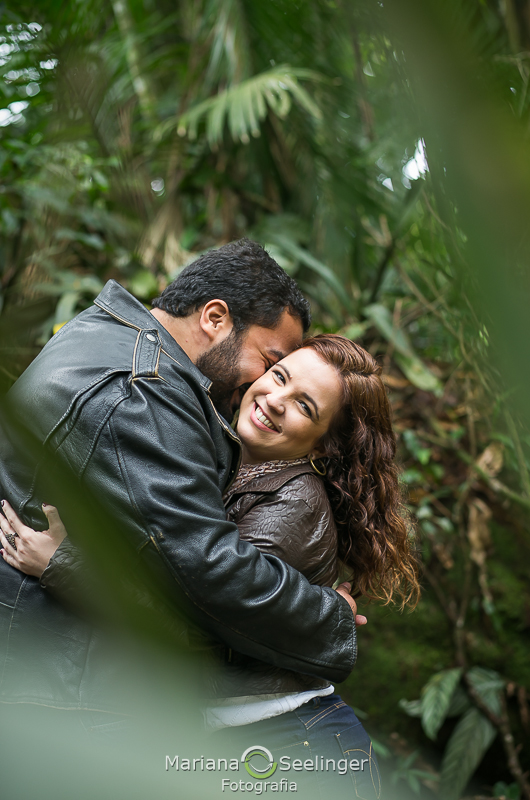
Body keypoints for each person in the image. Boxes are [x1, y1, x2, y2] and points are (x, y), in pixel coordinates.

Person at [1, 334, 420, 799]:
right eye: (279, 376)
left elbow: (194, 624)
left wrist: (65, 566)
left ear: (323, 447)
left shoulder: (295, 501)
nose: (275, 400)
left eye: (305, 406)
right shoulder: (223, 459)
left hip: (295, 741)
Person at [0, 239, 359, 713]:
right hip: (48, 684)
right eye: (271, 365)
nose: (259, 386)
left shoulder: (104, 332)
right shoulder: (143, 390)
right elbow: (209, 569)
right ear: (214, 318)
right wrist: (330, 619)